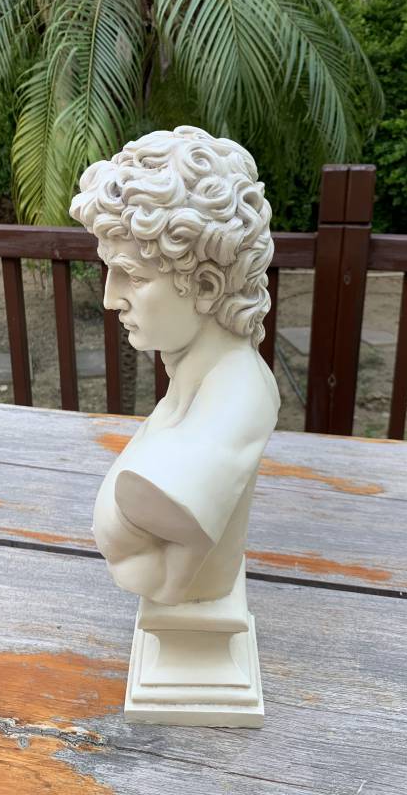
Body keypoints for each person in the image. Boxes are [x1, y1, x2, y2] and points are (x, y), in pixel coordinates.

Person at [70, 126, 280, 606]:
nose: (110, 299)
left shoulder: (236, 400)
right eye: (110, 271)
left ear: (206, 286)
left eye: (132, 275)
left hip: (193, 600)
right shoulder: (190, 388)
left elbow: (165, 519)